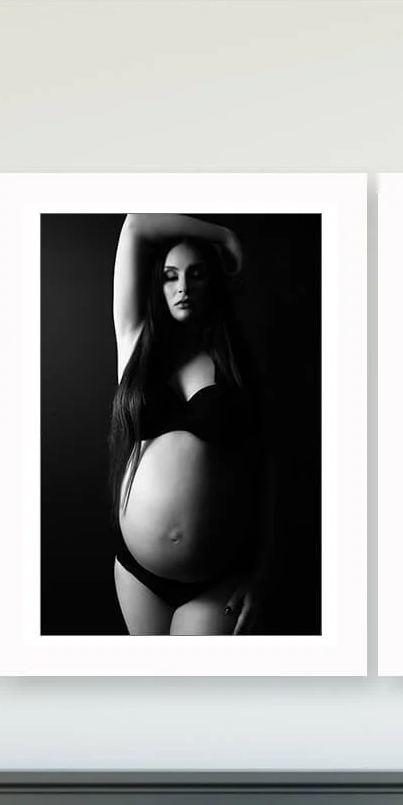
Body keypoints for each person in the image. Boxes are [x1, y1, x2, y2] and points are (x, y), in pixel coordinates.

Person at [106, 213, 273, 635]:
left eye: (196, 274)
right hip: (138, 574)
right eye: (170, 276)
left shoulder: (234, 366)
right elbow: (136, 224)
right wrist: (223, 236)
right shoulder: (133, 344)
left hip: (216, 579)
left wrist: (260, 571)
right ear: (157, 285)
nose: (182, 286)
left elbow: (267, 473)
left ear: (213, 283)